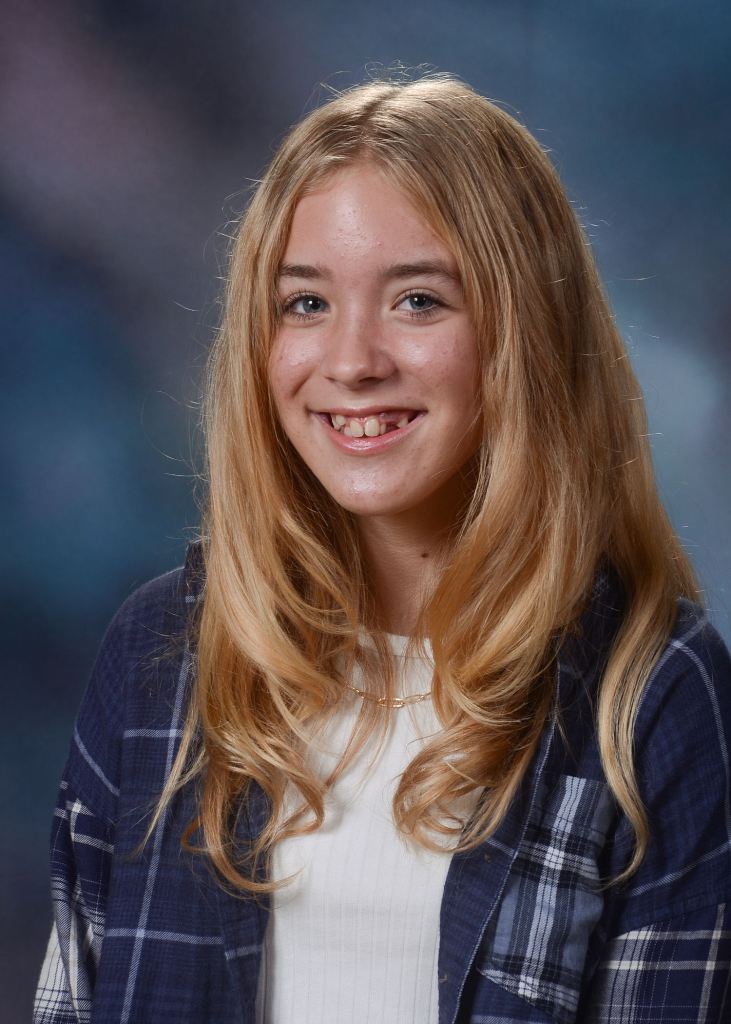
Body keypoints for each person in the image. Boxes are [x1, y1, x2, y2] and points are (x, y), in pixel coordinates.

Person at [34, 74, 731, 1024]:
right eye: (305, 304)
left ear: (525, 332)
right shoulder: (161, 657)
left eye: (417, 300)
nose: (352, 361)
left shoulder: (649, 696)